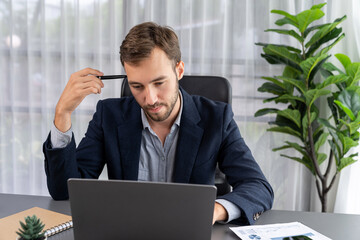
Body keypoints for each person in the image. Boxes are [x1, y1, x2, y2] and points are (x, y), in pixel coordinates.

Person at [43, 22, 273, 225]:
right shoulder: (109, 115)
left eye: (159, 83)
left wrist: (214, 211)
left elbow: (258, 187)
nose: (150, 99)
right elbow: (64, 190)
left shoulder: (217, 118)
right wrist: (62, 113)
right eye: (137, 86)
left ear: (179, 70)